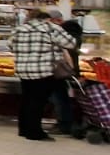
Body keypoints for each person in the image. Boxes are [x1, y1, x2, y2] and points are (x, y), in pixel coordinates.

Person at [12, 8, 75, 142]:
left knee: (26, 99)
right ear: (46, 18)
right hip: (44, 70)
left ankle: (23, 129)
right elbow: (71, 43)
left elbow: (10, 45)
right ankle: (35, 132)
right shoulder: (51, 28)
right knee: (38, 101)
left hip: (23, 69)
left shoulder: (20, 28)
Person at [47, 8, 83, 136]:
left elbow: (70, 48)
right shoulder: (65, 31)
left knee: (59, 97)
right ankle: (62, 122)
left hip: (62, 70)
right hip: (62, 69)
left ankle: (64, 124)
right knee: (59, 97)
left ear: (55, 20)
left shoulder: (67, 30)